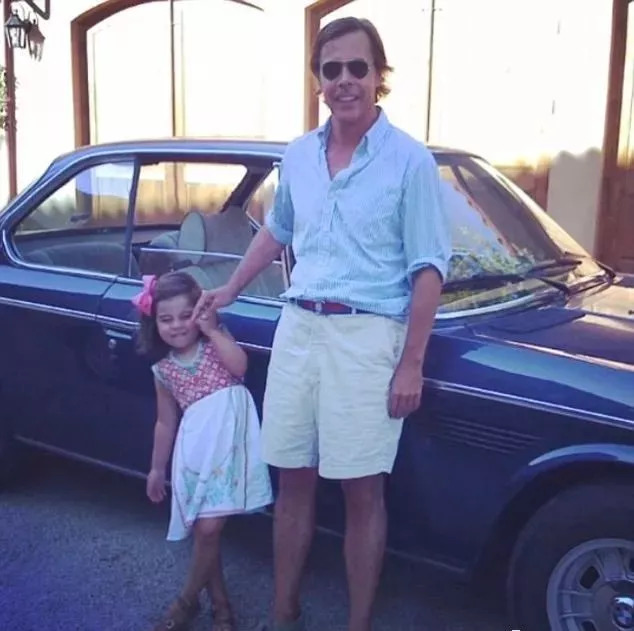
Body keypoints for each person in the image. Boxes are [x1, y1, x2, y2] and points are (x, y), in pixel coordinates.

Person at [193, 16, 452, 631]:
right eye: (331, 69)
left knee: (362, 491)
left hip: (367, 338)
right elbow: (278, 229)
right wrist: (229, 287)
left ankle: (357, 625)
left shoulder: (410, 162)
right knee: (293, 480)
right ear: (318, 79)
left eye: (357, 68)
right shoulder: (299, 155)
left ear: (379, 75)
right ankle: (284, 613)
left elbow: (428, 268)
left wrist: (411, 364)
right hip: (298, 331)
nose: (344, 81)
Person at [133, 271, 273, 631]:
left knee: (210, 528)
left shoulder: (215, 341)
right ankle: (221, 606)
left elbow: (241, 367)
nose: (177, 325)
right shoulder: (163, 369)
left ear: (200, 312)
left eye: (186, 315)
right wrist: (156, 469)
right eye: (166, 319)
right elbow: (165, 423)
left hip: (230, 444)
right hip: (196, 449)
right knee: (204, 530)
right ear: (154, 323)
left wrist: (213, 330)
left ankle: (186, 600)